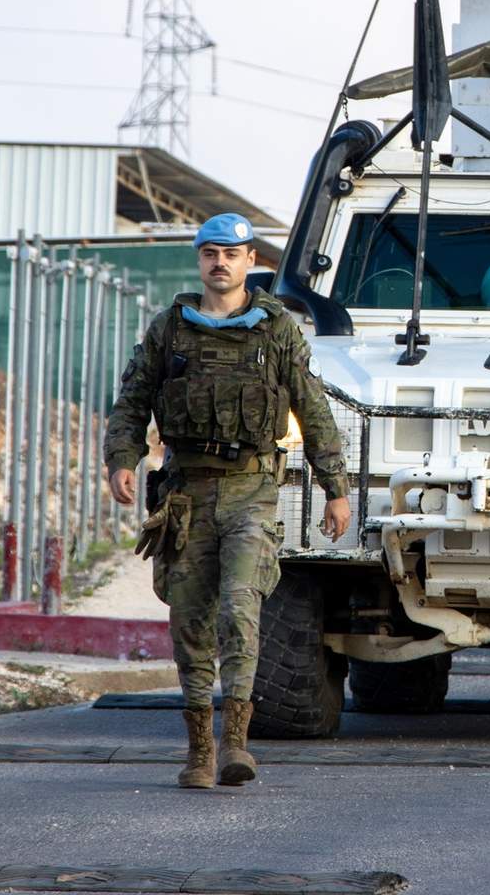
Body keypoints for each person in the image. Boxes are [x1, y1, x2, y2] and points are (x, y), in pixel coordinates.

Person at [104, 213, 350, 789]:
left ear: (249, 262)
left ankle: (236, 744)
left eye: (231, 254)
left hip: (251, 491)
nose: (221, 263)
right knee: (190, 620)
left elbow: (312, 408)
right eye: (210, 253)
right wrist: (123, 458)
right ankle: (198, 752)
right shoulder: (170, 329)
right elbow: (133, 399)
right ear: (200, 260)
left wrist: (335, 488)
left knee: (240, 609)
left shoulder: (276, 330)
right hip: (186, 494)